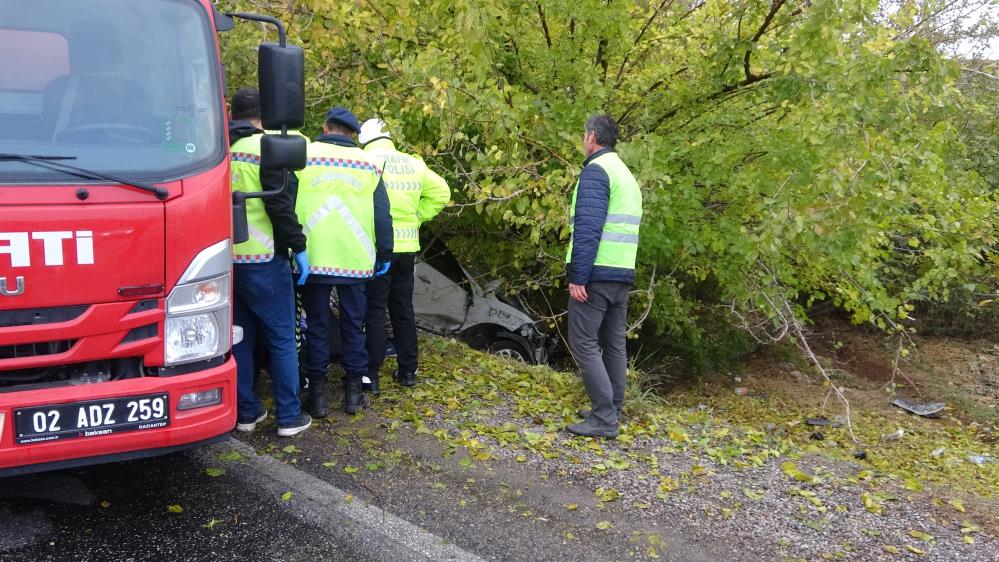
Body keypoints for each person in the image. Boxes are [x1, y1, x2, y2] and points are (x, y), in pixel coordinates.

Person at [296, 107, 393, 416]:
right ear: (354, 134)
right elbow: (382, 215)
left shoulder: (303, 155)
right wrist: (386, 252)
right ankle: (353, 393)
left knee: (317, 325)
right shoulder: (371, 164)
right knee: (354, 325)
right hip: (355, 260)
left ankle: (319, 396)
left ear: (325, 127)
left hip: (313, 257)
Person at [228, 87, 312, 437]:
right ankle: (289, 417)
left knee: (241, 339)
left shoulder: (218, 151)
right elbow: (279, 204)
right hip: (265, 260)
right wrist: (299, 246)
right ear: (265, 115)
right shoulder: (267, 150)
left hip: (227, 263)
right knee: (281, 339)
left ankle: (246, 413)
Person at [564, 115, 643, 439]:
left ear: (592, 136)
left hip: (596, 273)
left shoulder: (597, 171)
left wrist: (578, 276)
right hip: (621, 272)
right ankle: (612, 409)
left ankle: (603, 417)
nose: (584, 140)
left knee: (582, 342)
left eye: (584, 135)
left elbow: (587, 229)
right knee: (612, 345)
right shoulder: (625, 174)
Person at [358, 118, 450, 391]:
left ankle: (371, 375)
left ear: (364, 138)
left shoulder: (365, 160)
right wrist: (416, 218)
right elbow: (442, 192)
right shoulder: (413, 163)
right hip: (408, 248)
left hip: (377, 247)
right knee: (403, 310)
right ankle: (408, 371)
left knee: (374, 310)